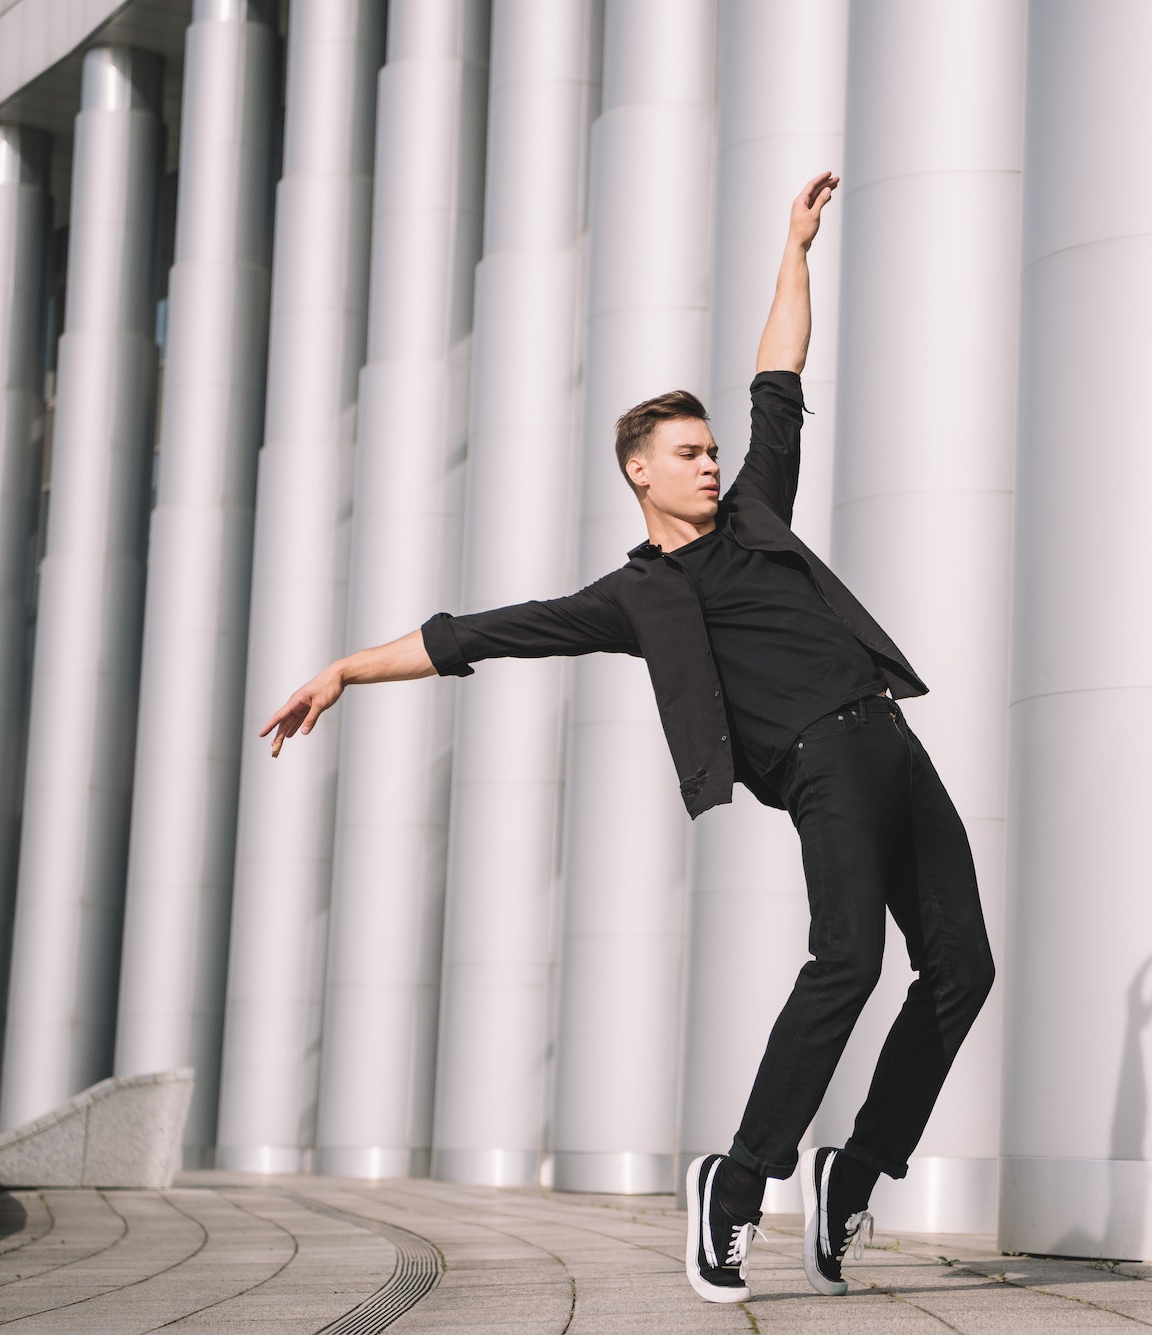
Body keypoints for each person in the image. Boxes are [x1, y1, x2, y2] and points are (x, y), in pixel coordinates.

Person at [262, 172, 994, 1304]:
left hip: (892, 742)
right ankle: (737, 1183)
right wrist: (350, 668)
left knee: (960, 967)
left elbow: (778, 379)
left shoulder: (756, 513)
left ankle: (853, 1170)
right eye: (687, 452)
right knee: (846, 959)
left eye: (711, 449)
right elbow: (485, 634)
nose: (710, 461)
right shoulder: (636, 596)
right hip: (817, 763)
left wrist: (794, 249)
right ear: (638, 471)